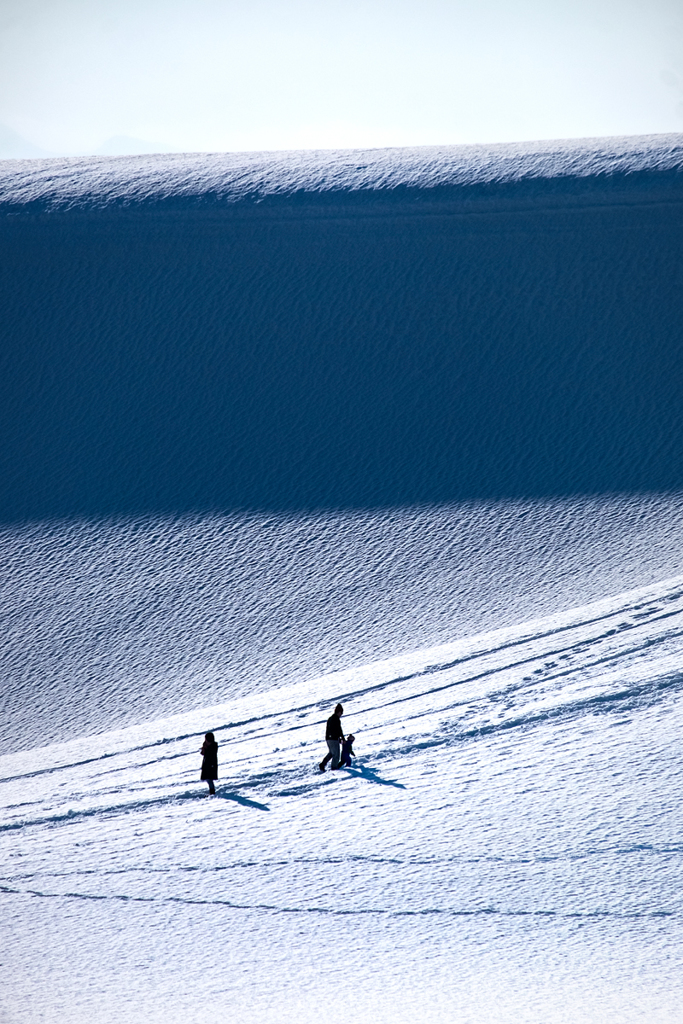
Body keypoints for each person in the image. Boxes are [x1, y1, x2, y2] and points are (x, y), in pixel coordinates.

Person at [319, 704, 344, 772]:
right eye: (341, 713)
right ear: (338, 712)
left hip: (328, 738)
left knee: (331, 753)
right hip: (333, 739)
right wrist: (342, 738)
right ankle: (334, 768)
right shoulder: (336, 719)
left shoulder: (330, 718)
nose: (341, 714)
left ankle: (322, 764)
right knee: (336, 754)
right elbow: (339, 730)